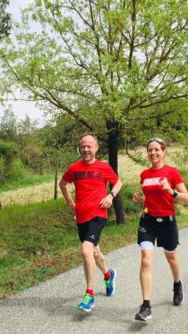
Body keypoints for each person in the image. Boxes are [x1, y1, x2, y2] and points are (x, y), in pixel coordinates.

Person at [59, 132, 123, 313]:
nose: (86, 149)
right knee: (94, 252)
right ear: (80, 148)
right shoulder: (74, 168)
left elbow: (118, 182)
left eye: (89, 146)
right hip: (81, 217)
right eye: (83, 146)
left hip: (98, 215)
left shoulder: (103, 167)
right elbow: (62, 184)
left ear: (96, 148)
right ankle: (109, 275)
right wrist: (72, 204)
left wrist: (111, 195)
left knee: (86, 250)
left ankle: (89, 295)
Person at [132, 137, 188, 321]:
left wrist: (171, 191)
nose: (153, 153)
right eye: (150, 150)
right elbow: (148, 196)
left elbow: (187, 198)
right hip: (148, 221)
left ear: (164, 151)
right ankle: (146, 306)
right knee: (146, 260)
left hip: (167, 222)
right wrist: (141, 200)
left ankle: (177, 284)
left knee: (171, 258)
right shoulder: (144, 174)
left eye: (157, 149)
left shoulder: (172, 173)